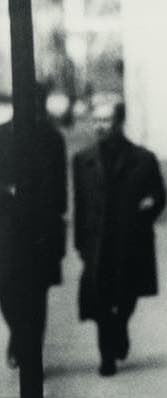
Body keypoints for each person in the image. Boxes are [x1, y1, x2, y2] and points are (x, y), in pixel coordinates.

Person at [73, 100, 167, 376]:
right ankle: (107, 357)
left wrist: (144, 213)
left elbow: (159, 196)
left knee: (128, 294)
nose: (100, 126)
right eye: (96, 120)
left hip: (130, 240)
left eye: (106, 120)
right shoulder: (83, 160)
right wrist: (81, 243)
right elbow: (80, 205)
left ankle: (121, 324)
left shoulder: (143, 159)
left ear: (119, 123)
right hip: (97, 242)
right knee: (100, 298)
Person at [0, 84, 67, 369]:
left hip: (41, 230)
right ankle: (18, 334)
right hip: (5, 229)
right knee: (5, 288)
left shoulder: (51, 138)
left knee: (37, 294)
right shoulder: (1, 135)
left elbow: (59, 188)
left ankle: (31, 352)